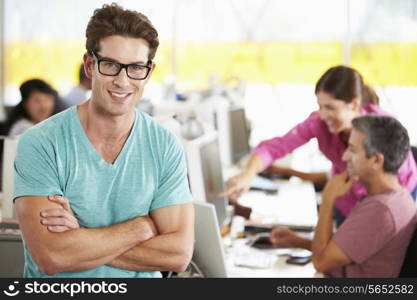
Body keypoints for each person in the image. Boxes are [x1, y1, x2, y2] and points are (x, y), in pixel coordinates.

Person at [13, 3, 194, 278]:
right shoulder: (40, 143)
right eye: (110, 65)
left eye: (135, 68)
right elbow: (52, 256)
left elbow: (178, 255)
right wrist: (141, 228)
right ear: (90, 65)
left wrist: (81, 237)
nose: (122, 81)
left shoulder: (164, 145)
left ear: (149, 72)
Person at [221, 65, 417, 225]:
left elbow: (395, 185)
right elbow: (276, 146)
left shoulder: (384, 128)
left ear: (354, 105)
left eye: (330, 107)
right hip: (346, 200)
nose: (323, 115)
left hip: (391, 198)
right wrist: (248, 174)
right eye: (319, 106)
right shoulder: (319, 123)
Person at [272, 115, 416, 277]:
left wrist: (328, 197)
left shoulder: (381, 209)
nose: (344, 156)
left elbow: (321, 263)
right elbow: (344, 250)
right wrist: (298, 242)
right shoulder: (398, 196)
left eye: (352, 150)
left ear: (376, 160)